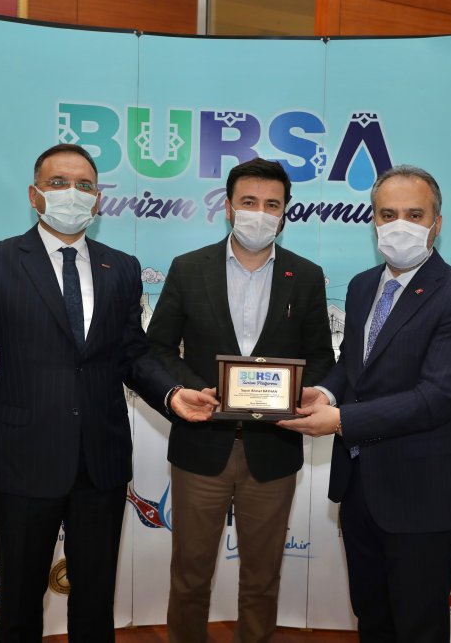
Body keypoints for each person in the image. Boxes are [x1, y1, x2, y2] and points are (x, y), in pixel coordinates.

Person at [0, 143, 218, 642]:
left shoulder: (122, 267)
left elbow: (131, 355)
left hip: (101, 463)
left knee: (94, 602)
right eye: (58, 183)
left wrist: (172, 393)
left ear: (98, 200)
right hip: (24, 462)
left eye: (84, 185)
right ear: (34, 195)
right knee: (19, 604)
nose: (72, 192)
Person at [279, 165, 451, 642]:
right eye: (387, 214)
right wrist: (325, 392)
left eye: (415, 215)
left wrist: (340, 419)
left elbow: (436, 398)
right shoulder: (362, 286)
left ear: (437, 223)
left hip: (421, 494)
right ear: (373, 220)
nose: (400, 225)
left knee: (418, 626)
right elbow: (353, 363)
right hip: (360, 487)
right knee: (372, 616)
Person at [146, 157, 335, 643]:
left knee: (262, 578)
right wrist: (192, 388)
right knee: (190, 575)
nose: (260, 213)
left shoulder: (306, 276)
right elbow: (158, 348)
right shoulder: (189, 268)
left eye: (272, 204)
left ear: (285, 212)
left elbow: (321, 357)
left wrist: (302, 391)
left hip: (273, 449)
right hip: (201, 444)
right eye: (249, 202)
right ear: (229, 207)